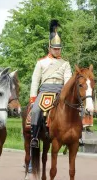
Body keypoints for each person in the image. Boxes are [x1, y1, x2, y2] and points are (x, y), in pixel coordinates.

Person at [29, 19, 73, 149]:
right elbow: (35, 80)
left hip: (60, 91)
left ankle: (74, 135)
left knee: (75, 108)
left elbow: (68, 80)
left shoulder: (65, 63)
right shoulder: (41, 62)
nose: (57, 51)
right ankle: (35, 137)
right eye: (55, 48)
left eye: (59, 49)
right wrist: (33, 98)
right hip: (45, 91)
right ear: (49, 48)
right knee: (36, 110)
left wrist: (65, 94)